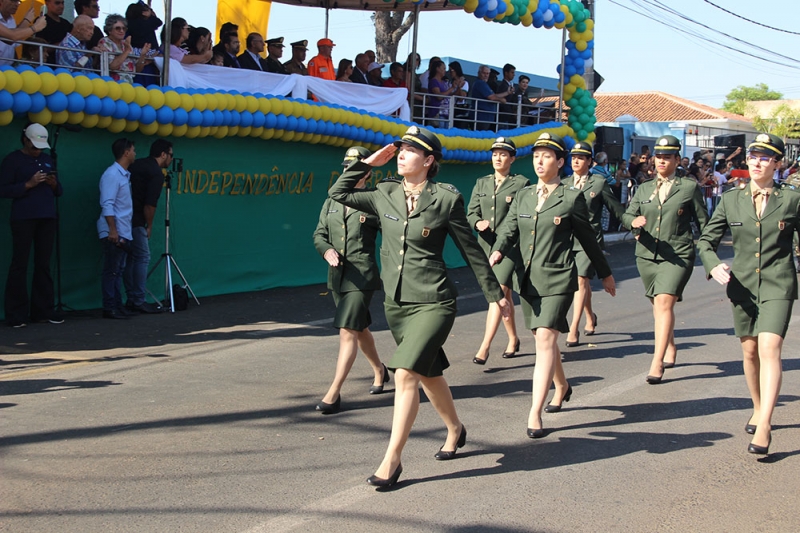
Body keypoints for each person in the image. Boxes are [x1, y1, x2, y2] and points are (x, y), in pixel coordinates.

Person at [329, 126, 511, 488]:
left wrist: (496, 294)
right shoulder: (384, 192)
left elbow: (470, 251)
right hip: (397, 304)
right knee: (429, 375)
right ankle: (456, 428)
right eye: (400, 149)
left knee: (405, 373)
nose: (401, 154)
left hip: (434, 301)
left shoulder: (445, 199)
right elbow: (338, 192)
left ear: (428, 161)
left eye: (410, 150)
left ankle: (391, 460)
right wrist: (367, 162)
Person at [490, 132, 615, 438]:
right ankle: (562, 385)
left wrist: (605, 273)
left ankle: (534, 413)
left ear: (560, 162)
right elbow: (508, 229)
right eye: (536, 156)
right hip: (528, 278)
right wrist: (497, 250)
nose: (540, 161)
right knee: (543, 339)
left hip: (559, 278)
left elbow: (588, 239)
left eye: (547, 156)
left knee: (545, 338)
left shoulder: (571, 198)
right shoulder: (524, 194)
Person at [697, 133, 798, 456]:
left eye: (765, 158)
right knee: (750, 351)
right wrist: (713, 266)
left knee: (770, 346)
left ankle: (765, 423)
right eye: (753, 156)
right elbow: (705, 241)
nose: (756, 162)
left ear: (777, 164)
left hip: (778, 282)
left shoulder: (792, 199)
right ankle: (758, 406)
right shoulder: (731, 199)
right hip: (741, 286)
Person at [622, 135, 709, 383]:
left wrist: (709, 254)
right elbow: (627, 215)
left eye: (667, 157)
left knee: (664, 304)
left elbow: (705, 224)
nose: (661, 161)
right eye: (658, 156)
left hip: (678, 255)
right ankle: (670, 347)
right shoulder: (644, 188)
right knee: (658, 307)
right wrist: (634, 223)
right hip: (647, 255)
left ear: (676, 159)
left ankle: (656, 361)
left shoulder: (689, 188)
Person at [313, 146, 388, 414]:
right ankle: (380, 369)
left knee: (347, 331)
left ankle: (334, 393)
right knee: (359, 329)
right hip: (338, 276)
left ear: (367, 172)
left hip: (362, 276)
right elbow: (319, 234)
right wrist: (327, 250)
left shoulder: (375, 198)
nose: (349, 172)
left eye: (355, 168)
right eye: (346, 167)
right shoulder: (331, 200)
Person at [467, 137, 530, 364]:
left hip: (510, 248)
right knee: (506, 297)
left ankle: (484, 347)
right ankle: (513, 338)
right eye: (495, 153)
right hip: (486, 246)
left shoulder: (521, 183)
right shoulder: (481, 183)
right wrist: (477, 223)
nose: (498, 158)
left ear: (512, 158)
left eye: (503, 154)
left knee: (498, 293)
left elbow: (518, 218)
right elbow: (471, 212)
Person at [0, 124, 63, 328]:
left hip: (47, 217)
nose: (37, 150)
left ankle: (42, 311)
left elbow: (59, 190)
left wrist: (53, 184)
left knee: (43, 264)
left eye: (40, 147)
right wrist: (28, 184)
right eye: (34, 146)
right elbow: (4, 189)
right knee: (20, 263)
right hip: (23, 218)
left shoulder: (47, 159)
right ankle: (16, 314)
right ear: (25, 140)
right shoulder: (13, 160)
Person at [564, 142, 626, 348]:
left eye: (581, 158)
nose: (576, 161)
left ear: (590, 162)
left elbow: (615, 208)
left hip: (589, 241)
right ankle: (590, 316)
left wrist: (632, 224)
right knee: (582, 282)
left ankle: (574, 328)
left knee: (581, 280)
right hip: (568, 239)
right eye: (573, 157)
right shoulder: (564, 184)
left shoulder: (598, 183)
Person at [123, 139, 173, 315]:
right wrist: (149, 225)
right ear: (163, 154)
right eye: (171, 155)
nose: (171, 159)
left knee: (131, 258)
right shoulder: (155, 173)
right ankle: (138, 299)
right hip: (135, 220)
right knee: (142, 256)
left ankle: (132, 297)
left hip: (123, 217)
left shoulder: (137, 165)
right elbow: (150, 205)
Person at [97, 138, 137, 320]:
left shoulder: (124, 175)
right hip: (114, 231)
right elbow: (107, 204)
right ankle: (109, 307)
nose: (135, 153)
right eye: (133, 150)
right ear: (126, 152)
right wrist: (112, 230)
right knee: (111, 270)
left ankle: (117, 305)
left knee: (118, 270)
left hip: (123, 229)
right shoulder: (112, 174)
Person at [98, 15, 150, 84]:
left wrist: (142, 56)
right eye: (117, 28)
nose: (121, 31)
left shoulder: (125, 43)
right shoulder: (105, 42)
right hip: (112, 85)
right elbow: (112, 67)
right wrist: (126, 51)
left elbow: (137, 70)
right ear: (109, 30)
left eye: (124, 28)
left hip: (128, 85)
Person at [0, 1, 47, 66]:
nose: (17, 4)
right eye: (13, 0)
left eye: (18, 1)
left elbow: (12, 40)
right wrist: (35, 27)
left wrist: (27, 20)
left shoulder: (11, 19)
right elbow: (12, 36)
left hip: (7, 69)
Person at [471, 65, 503, 131]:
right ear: (479, 73)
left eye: (488, 73)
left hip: (486, 117)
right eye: (484, 73)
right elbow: (491, 97)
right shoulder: (480, 83)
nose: (486, 75)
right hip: (481, 117)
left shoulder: (484, 84)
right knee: (481, 137)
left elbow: (494, 95)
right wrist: (501, 100)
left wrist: (507, 92)